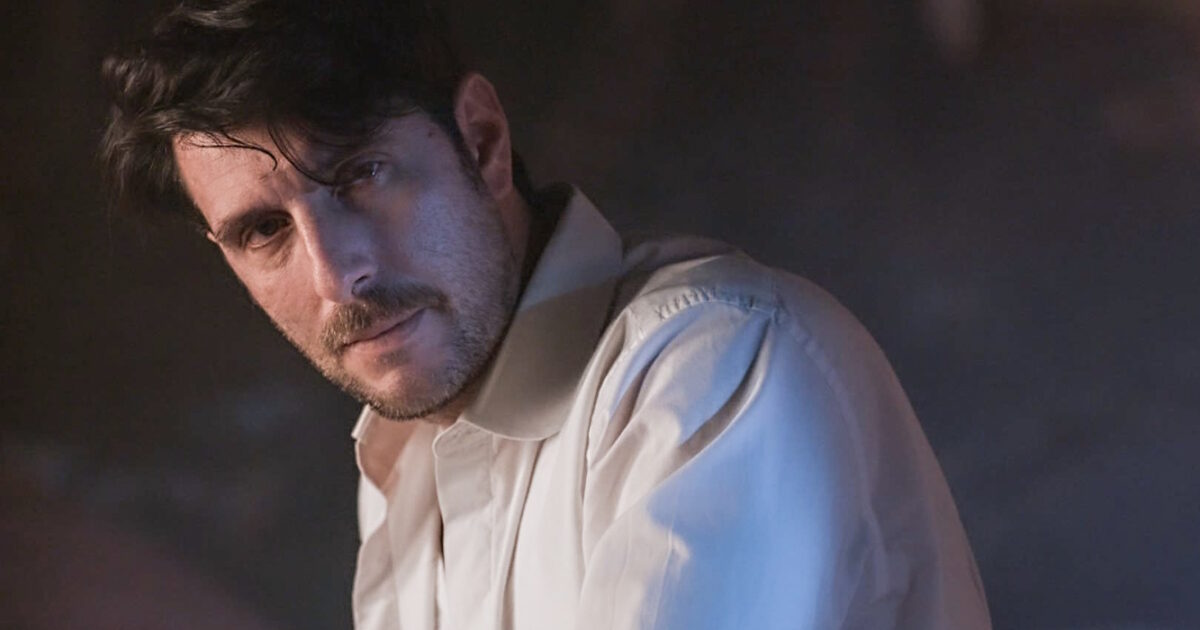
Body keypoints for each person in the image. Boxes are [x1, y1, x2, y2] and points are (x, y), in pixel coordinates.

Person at [100, 1, 991, 628]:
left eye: (361, 175)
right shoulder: (405, 459)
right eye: (264, 231)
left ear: (482, 141)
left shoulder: (719, 366)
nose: (338, 278)